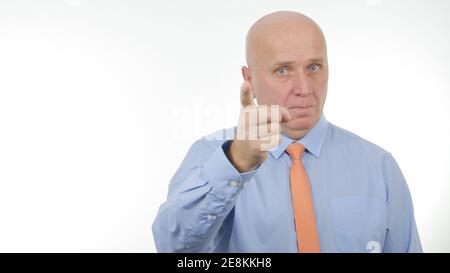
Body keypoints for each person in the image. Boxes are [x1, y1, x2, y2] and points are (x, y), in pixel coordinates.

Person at [152, 10, 422, 253]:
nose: (304, 88)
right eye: (283, 70)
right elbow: (172, 249)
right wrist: (235, 163)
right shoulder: (212, 154)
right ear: (250, 79)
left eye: (314, 67)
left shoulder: (379, 166)